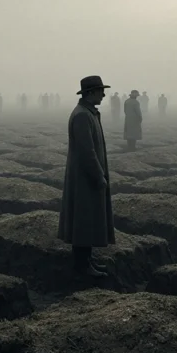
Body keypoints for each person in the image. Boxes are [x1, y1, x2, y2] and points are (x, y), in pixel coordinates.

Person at [58, 75, 114, 278]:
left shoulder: (88, 113)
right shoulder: (82, 116)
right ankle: (82, 265)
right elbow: (87, 151)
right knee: (83, 220)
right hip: (85, 178)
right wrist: (98, 175)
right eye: (100, 91)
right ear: (91, 93)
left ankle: (87, 260)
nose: (104, 94)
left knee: (87, 219)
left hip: (87, 176)